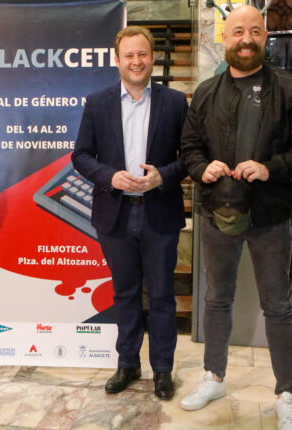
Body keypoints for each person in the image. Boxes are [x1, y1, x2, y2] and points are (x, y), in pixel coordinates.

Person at [179, 5, 292, 427]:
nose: (246, 38)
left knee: (278, 306)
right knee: (216, 299)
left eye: (254, 31)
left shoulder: (291, 90)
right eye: (238, 31)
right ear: (225, 38)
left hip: (271, 216)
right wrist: (204, 168)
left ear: (265, 36)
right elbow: (189, 148)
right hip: (217, 213)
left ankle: (286, 392)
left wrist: (270, 167)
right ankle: (214, 375)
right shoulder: (204, 92)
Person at [72, 26, 188, 400]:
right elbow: (81, 156)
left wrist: (162, 178)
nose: (136, 62)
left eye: (142, 54)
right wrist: (110, 177)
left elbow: (189, 158)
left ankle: (163, 371)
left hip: (160, 215)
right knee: (123, 295)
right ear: (116, 60)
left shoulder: (175, 102)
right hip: (115, 215)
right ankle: (127, 365)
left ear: (152, 57)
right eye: (129, 56)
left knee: (162, 297)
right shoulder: (97, 103)